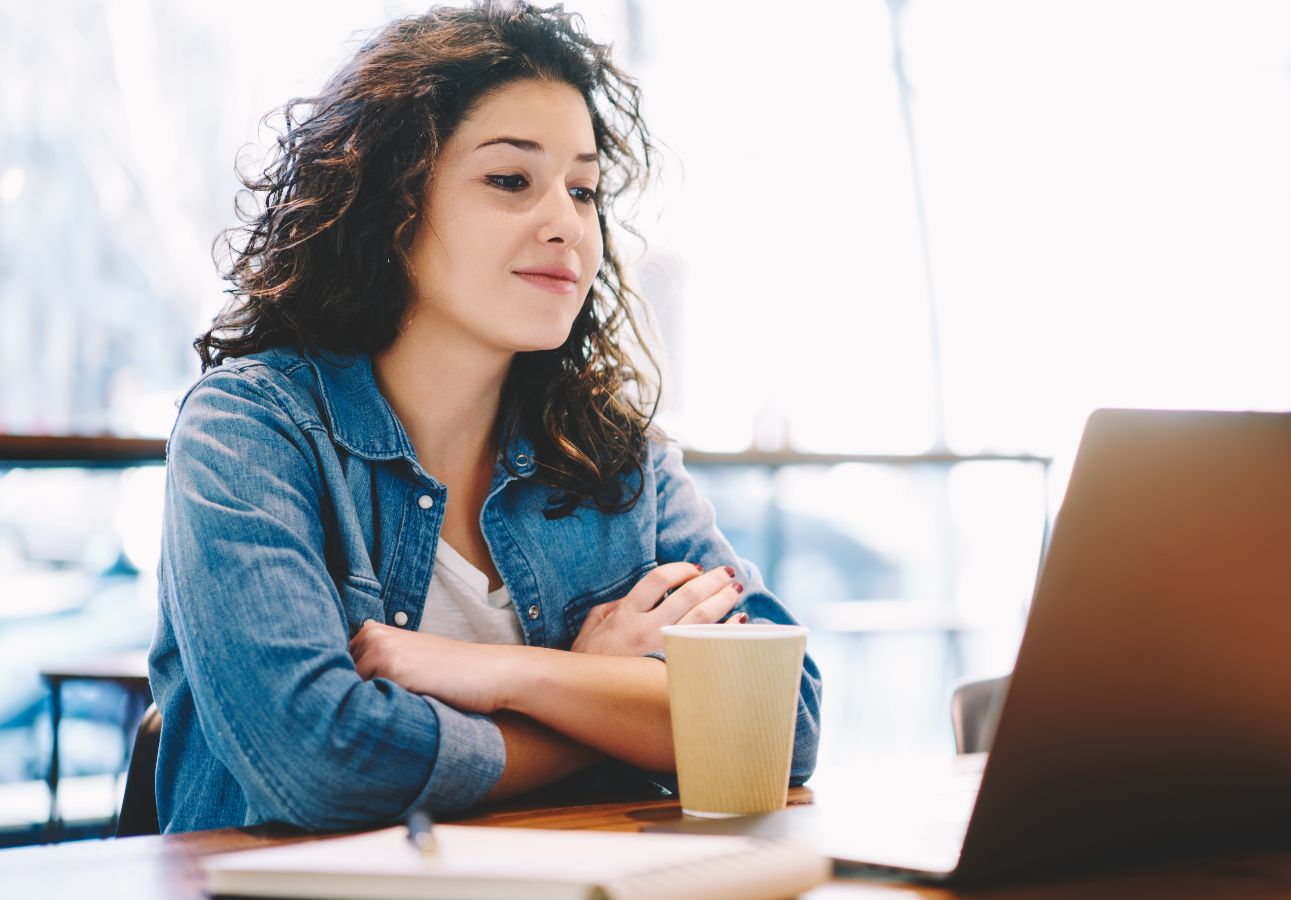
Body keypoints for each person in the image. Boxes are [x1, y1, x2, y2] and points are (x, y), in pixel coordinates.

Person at [149, 0, 821, 833]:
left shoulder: (615, 456)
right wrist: (601, 700)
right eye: (511, 181)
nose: (567, 224)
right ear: (388, 206)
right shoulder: (250, 430)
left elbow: (782, 721)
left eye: (583, 189)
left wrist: (504, 674)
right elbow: (323, 763)